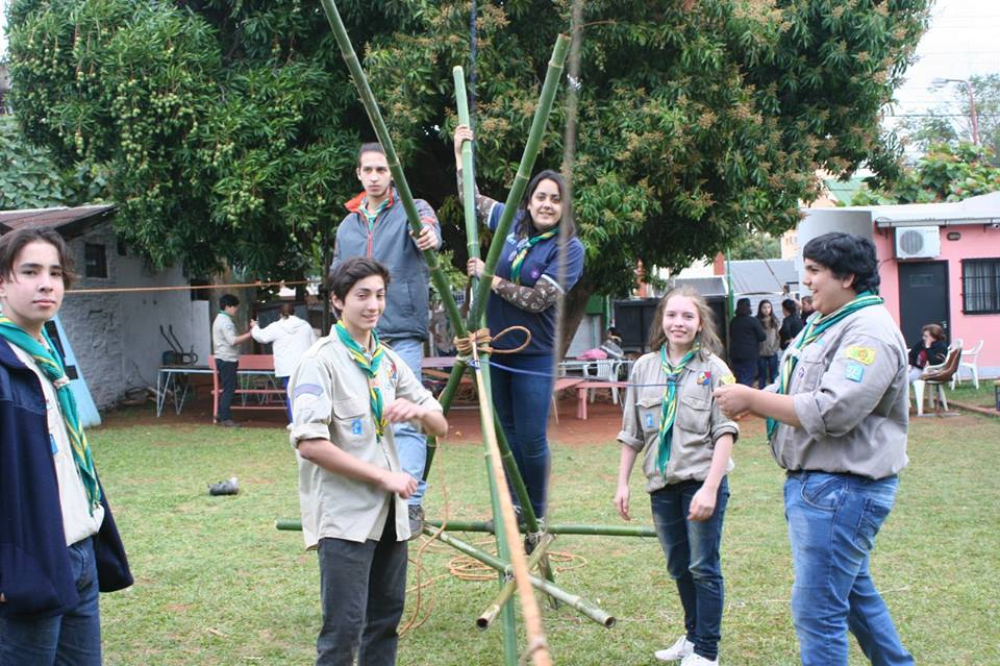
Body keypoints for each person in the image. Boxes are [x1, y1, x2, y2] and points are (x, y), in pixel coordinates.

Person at [714, 232, 914, 666]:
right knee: (857, 600)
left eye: (814, 271)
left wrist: (752, 400)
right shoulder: (829, 322)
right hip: (823, 489)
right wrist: (755, 395)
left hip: (841, 491)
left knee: (818, 612)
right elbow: (797, 385)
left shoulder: (868, 333)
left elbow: (833, 410)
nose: (805, 281)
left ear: (847, 276)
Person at [288, 257, 447, 666]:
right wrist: (384, 476)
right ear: (338, 301)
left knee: (384, 623)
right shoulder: (318, 361)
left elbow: (440, 425)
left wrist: (420, 414)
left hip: (390, 517)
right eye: (362, 295)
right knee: (343, 631)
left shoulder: (388, 361)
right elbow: (310, 444)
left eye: (379, 295)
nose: (373, 305)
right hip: (346, 517)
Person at [0, 227, 132, 666]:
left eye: (55, 272)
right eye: (30, 271)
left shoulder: (45, 359)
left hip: (79, 552)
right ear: (3, 281)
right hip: (27, 561)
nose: (46, 283)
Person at [454, 124, 585, 527]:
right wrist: (461, 156)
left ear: (564, 208)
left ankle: (537, 512)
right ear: (528, 202)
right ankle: (513, 507)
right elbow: (470, 200)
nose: (547, 205)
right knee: (506, 436)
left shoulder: (568, 248)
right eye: (541, 197)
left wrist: (489, 277)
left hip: (533, 355)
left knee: (530, 438)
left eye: (555, 200)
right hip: (494, 349)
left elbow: (537, 300)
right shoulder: (511, 224)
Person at [615, 285, 738, 666]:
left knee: (703, 566)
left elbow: (726, 432)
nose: (678, 322)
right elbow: (632, 432)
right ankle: (692, 637)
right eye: (671, 315)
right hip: (661, 483)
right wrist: (622, 483)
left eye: (688, 316)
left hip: (701, 481)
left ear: (700, 323)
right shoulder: (643, 368)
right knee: (678, 566)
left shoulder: (714, 370)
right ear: (661, 321)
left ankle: (707, 651)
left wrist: (712, 489)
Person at [333, 142, 441, 537]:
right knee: (358, 418)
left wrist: (428, 236)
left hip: (401, 333)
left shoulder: (415, 208)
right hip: (357, 339)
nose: (376, 176)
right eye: (369, 170)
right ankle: (371, 494)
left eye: (382, 169)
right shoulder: (347, 226)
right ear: (359, 174)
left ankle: (411, 503)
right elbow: (337, 275)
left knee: (407, 418)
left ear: (391, 173)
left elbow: (429, 232)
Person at [251, 303, 318, 422]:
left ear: (280, 314)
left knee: (290, 394)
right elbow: (314, 345)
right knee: (304, 394)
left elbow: (261, 337)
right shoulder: (305, 326)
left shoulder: (276, 326)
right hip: (303, 367)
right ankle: (306, 420)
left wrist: (255, 327)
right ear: (295, 313)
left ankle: (294, 421)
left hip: (286, 367)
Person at [212, 293, 253, 427]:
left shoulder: (220, 319)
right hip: (227, 359)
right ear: (228, 307)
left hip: (223, 358)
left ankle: (220, 413)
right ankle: (226, 418)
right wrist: (251, 334)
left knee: (227, 387)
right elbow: (233, 341)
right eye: (235, 307)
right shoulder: (225, 322)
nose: (236, 310)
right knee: (230, 388)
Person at [727, 297, 765, 386]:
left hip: (735, 353)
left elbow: (731, 335)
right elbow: (762, 337)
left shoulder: (733, 321)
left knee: (738, 376)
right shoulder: (753, 321)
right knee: (747, 377)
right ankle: (744, 397)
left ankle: (738, 394)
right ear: (749, 307)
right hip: (749, 354)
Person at [757, 299, 781, 387]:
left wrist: (775, 349)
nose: (767, 309)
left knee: (773, 376)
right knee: (762, 376)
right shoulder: (757, 321)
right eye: (764, 307)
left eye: (769, 307)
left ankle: (773, 396)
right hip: (761, 353)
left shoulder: (775, 321)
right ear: (760, 309)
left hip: (772, 352)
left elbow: (778, 337)